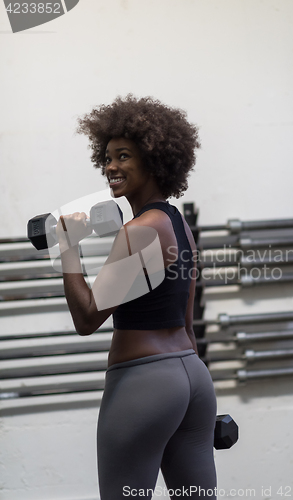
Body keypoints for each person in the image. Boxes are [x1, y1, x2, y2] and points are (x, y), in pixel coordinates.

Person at [56, 95, 217, 499]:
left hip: (144, 384)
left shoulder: (140, 230)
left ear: (154, 159)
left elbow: (87, 318)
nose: (110, 167)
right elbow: (185, 319)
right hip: (193, 380)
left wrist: (68, 247)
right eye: (107, 158)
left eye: (123, 156)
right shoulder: (178, 224)